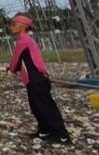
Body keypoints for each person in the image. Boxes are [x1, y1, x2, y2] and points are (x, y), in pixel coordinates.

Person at [7, 14, 71, 145]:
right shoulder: (25, 40)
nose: (11, 27)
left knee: (46, 106)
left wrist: (11, 70)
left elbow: (15, 60)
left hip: (36, 78)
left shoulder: (23, 40)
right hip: (34, 79)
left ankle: (61, 134)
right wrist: (11, 69)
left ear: (23, 27)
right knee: (36, 106)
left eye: (14, 24)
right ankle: (45, 130)